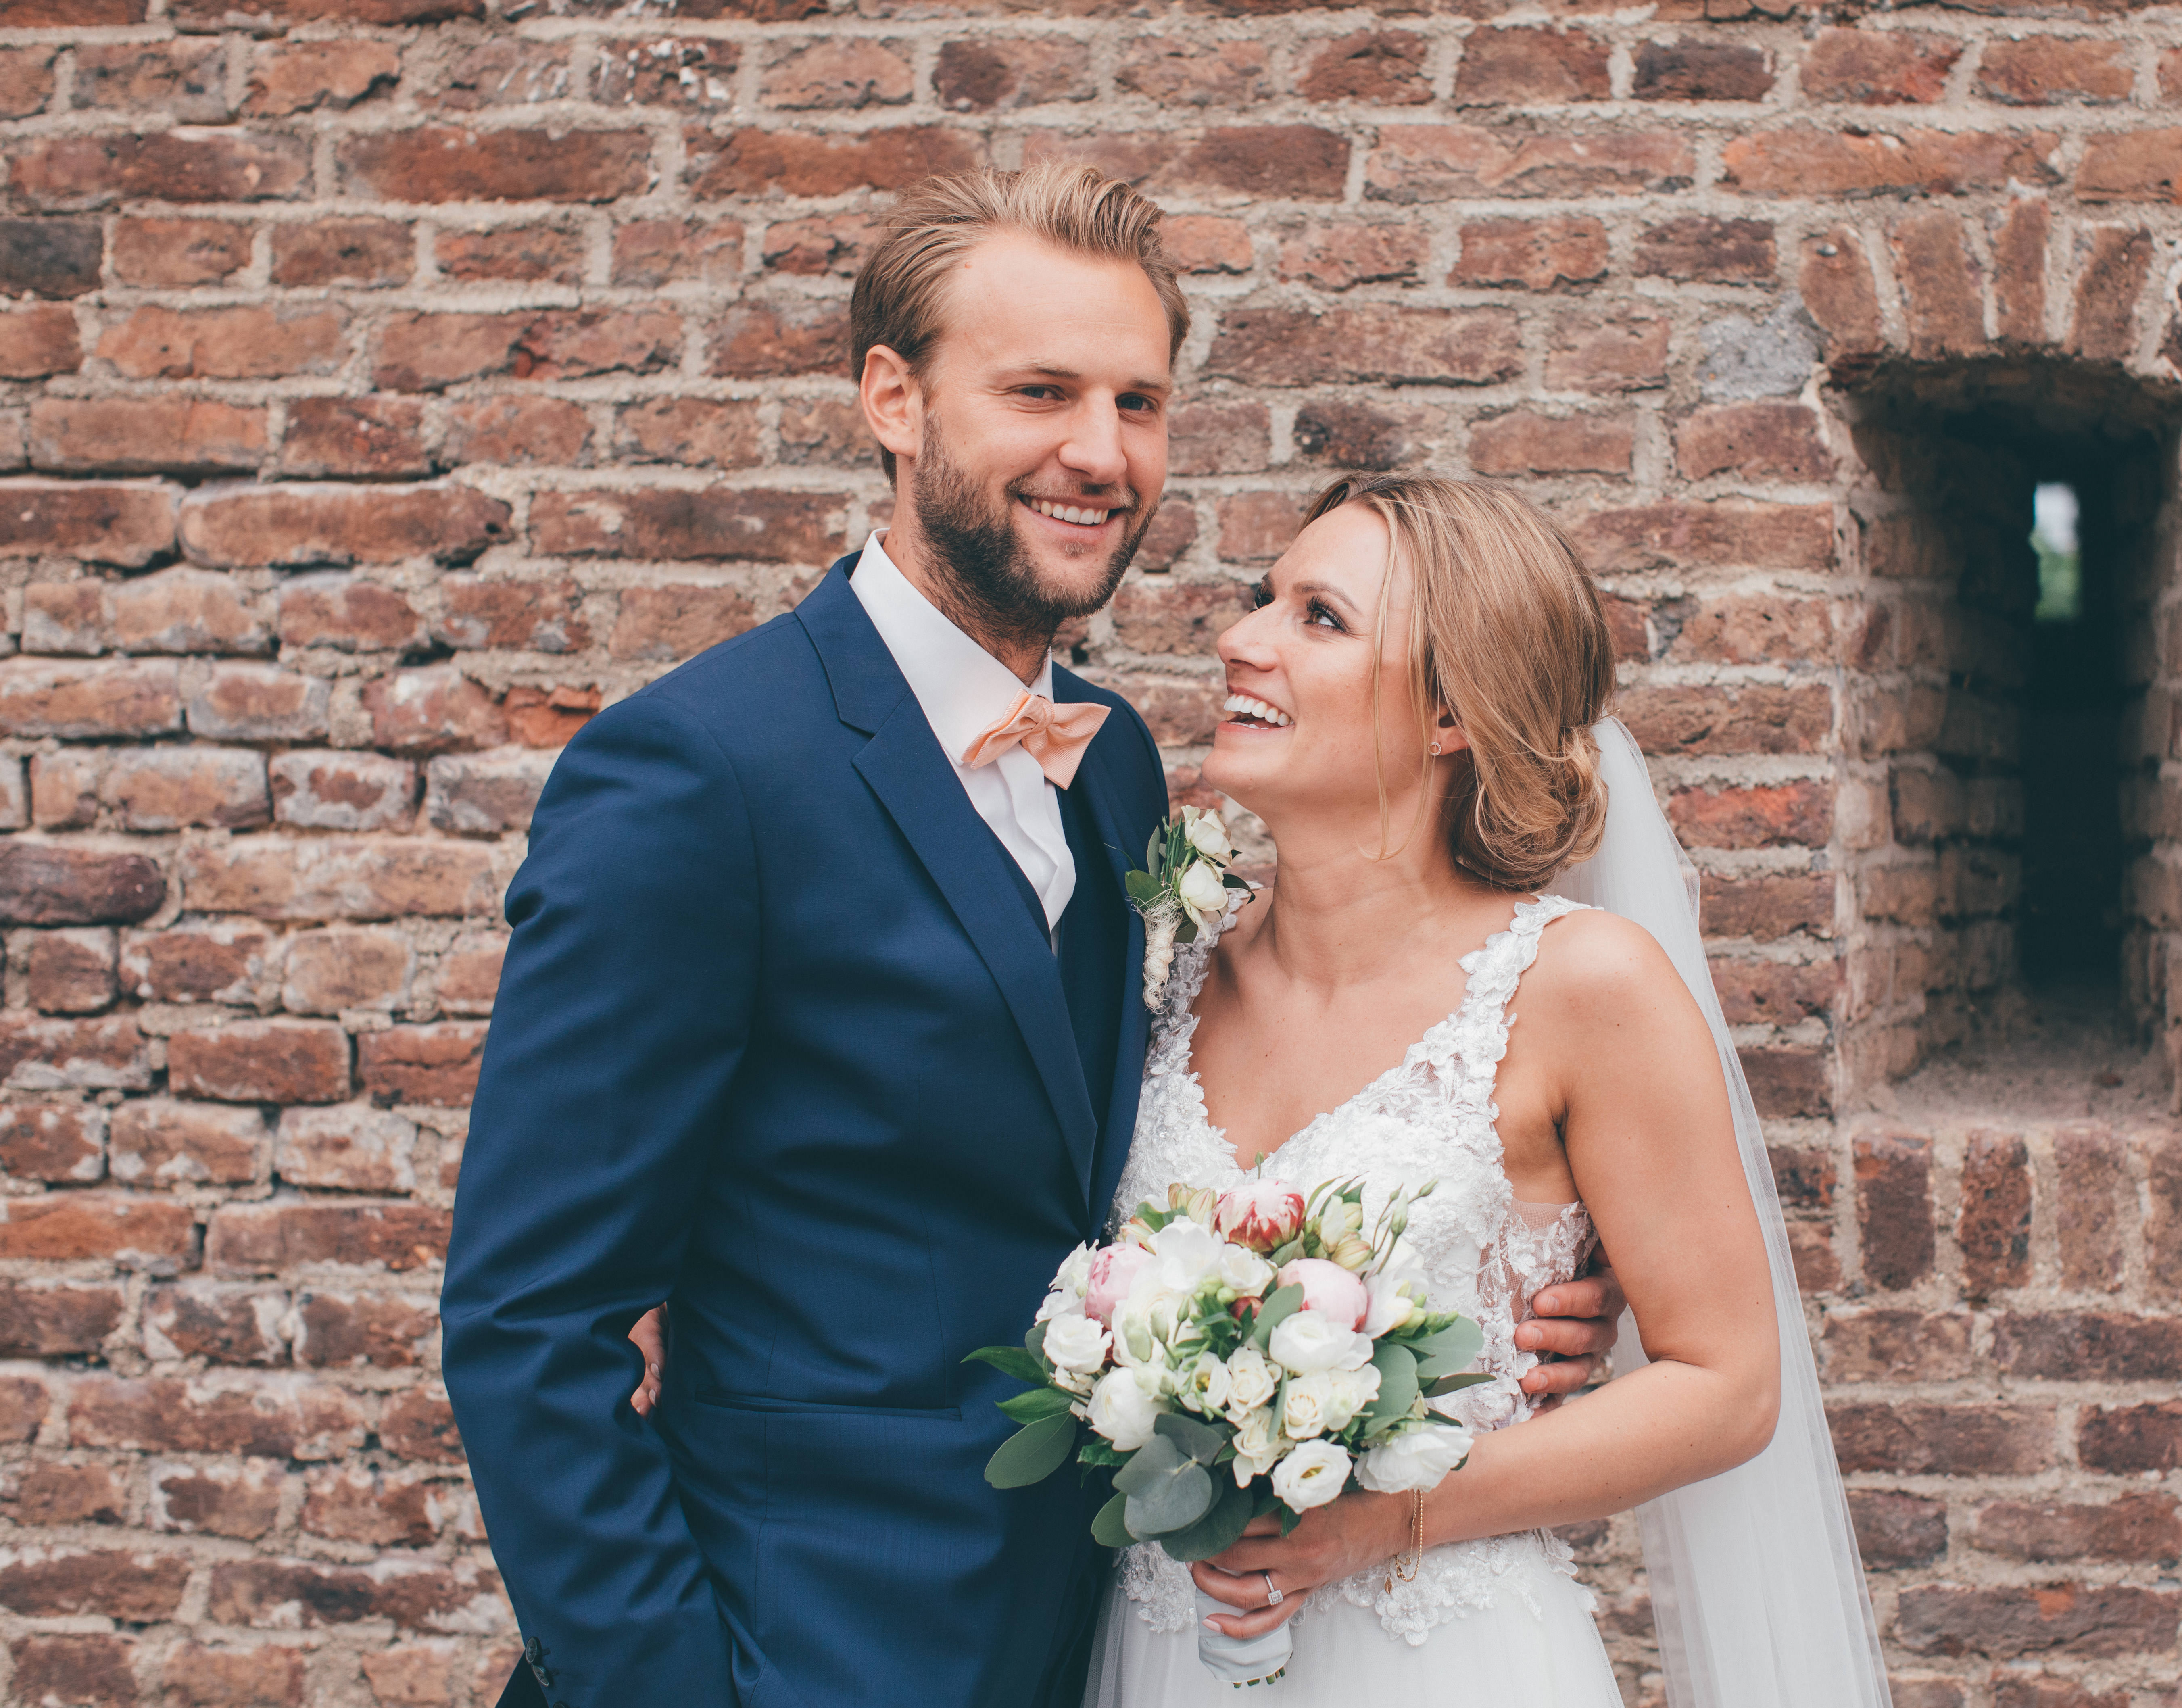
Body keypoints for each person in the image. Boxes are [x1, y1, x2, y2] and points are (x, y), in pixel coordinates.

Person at [437, 165, 1623, 1708]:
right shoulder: (699, 773)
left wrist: (1458, 1309)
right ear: (894, 400)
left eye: (1139, 401)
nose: (1099, 452)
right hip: (799, 1645)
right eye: (1041, 392)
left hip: (1103, 1638)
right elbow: (532, 1322)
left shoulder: (1119, 762)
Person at [1082, 475, 1892, 1706]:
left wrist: (1382, 1520)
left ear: (1452, 710)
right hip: (1162, 1646)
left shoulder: (1580, 984)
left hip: (1433, 1658)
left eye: (1320, 617)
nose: (1241, 639)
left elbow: (1729, 1386)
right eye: (1262, 600)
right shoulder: (1170, 964)